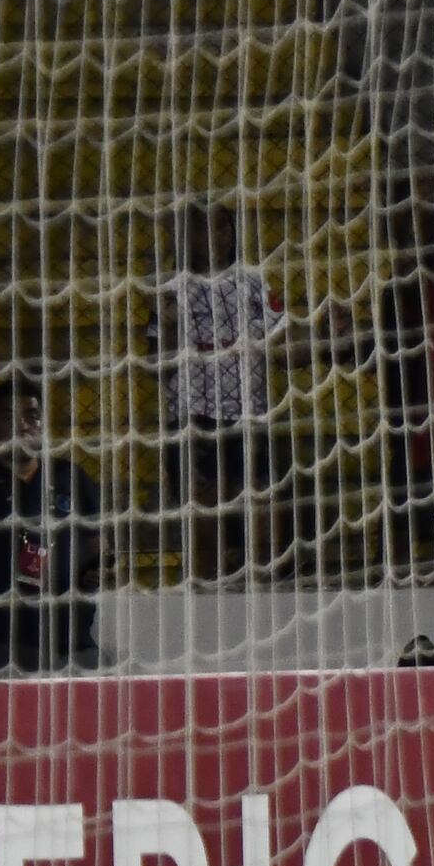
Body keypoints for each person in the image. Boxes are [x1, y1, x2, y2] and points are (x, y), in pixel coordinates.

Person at [0, 371, 107, 672]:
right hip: (2, 642)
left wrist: (97, 570)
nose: (23, 425)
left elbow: (99, 545)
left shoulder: (69, 475)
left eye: (32, 416)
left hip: (71, 639)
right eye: (8, 417)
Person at [160, 196, 293, 582]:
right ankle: (203, 592)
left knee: (263, 507)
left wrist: (323, 336)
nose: (213, 237)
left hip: (249, 412)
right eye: (202, 228)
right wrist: (169, 326)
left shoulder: (252, 281)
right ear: (187, 236)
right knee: (202, 514)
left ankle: (267, 591)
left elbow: (284, 346)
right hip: (193, 415)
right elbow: (158, 365)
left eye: (221, 226)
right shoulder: (173, 287)